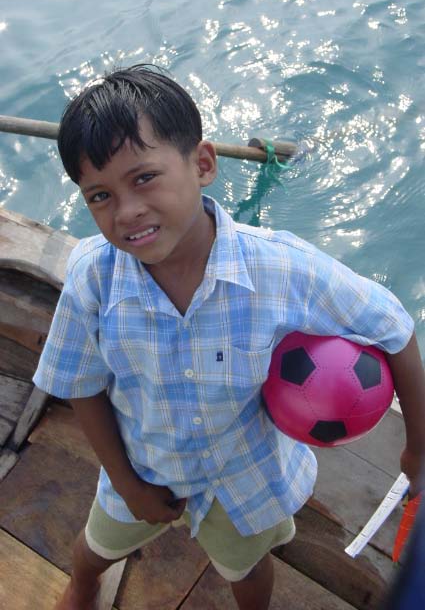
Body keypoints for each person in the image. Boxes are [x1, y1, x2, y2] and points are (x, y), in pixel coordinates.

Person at [33, 64, 425, 610]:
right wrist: (126, 483)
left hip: (243, 481)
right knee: (95, 548)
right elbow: (81, 382)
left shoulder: (283, 269)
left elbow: (393, 327)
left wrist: (418, 445)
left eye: (144, 178)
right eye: (99, 195)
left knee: (246, 569)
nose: (127, 211)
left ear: (203, 164)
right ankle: (82, 585)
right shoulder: (92, 277)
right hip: (144, 465)